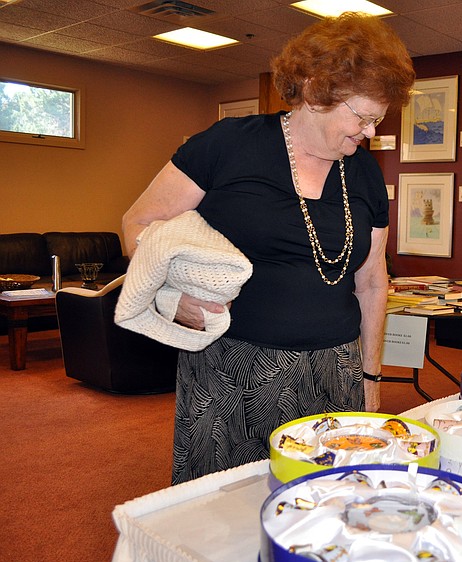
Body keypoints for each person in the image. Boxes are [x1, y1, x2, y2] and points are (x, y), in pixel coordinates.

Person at [121, 13, 415, 484]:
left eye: (377, 120)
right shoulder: (227, 145)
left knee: (320, 503)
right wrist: (175, 300)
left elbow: (373, 281)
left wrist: (371, 378)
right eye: (362, 117)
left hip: (333, 369)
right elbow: (139, 223)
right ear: (317, 90)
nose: (369, 133)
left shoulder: (364, 173)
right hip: (230, 367)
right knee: (221, 508)